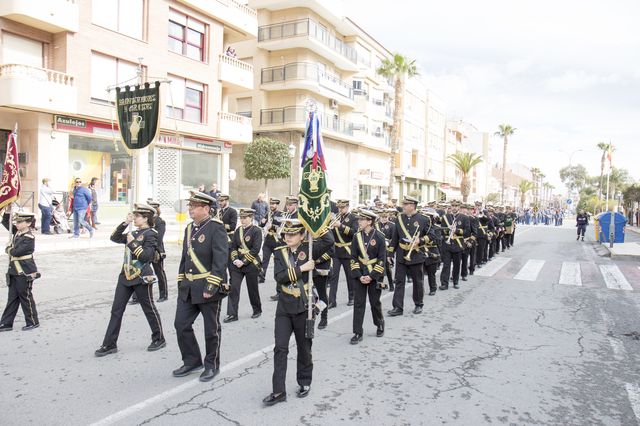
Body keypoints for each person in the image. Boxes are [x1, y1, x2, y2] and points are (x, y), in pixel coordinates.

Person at [95, 204, 165, 356]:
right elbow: (114, 237)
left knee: (148, 308)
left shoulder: (151, 234)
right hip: (125, 275)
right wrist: (125, 223)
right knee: (116, 310)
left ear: (146, 218)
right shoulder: (132, 232)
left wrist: (133, 242)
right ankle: (110, 344)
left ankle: (159, 338)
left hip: (141, 276)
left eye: (137, 216)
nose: (135, 218)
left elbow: (147, 256)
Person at [173, 191, 229, 382]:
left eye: (193, 206)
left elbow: (220, 260)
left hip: (207, 286)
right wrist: (181, 281)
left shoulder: (216, 228)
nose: (189, 209)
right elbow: (185, 258)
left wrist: (212, 285)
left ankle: (212, 364)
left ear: (205, 209)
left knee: (210, 330)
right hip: (189, 287)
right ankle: (192, 360)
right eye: (189, 205)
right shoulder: (189, 228)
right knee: (181, 324)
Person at [263, 219, 315, 406]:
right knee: (280, 348)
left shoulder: (310, 249)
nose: (288, 237)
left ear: (302, 235)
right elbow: (280, 277)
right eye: (286, 234)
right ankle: (278, 391)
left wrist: (315, 220)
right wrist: (302, 268)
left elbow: (329, 242)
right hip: (284, 306)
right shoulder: (280, 253)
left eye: (293, 234)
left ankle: (304, 381)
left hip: (304, 306)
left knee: (304, 347)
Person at [387, 196, 431, 316]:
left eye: (406, 205)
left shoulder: (424, 219)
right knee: (399, 282)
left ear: (412, 206)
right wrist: (390, 253)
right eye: (404, 204)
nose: (403, 207)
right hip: (402, 254)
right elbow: (395, 237)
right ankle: (397, 307)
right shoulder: (399, 218)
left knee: (418, 281)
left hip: (416, 254)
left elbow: (432, 236)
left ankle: (418, 304)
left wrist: (420, 240)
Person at [349, 210, 386, 344]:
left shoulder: (380, 237)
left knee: (375, 303)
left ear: (370, 221)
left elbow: (382, 260)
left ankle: (379, 323)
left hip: (374, 275)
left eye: (362, 219)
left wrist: (371, 276)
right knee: (359, 303)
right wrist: (359, 275)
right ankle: (358, 332)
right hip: (359, 274)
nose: (359, 221)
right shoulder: (356, 236)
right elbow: (353, 257)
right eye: (359, 219)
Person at [0, 211, 40, 332]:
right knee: (12, 298)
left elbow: (16, 252)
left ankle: (32, 321)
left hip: (24, 271)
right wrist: (8, 209)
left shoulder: (29, 238)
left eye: (20, 222)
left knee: (25, 297)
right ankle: (6, 323)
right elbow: (5, 222)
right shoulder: (17, 233)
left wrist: (8, 249)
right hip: (13, 271)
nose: (17, 224)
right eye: (16, 222)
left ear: (28, 223)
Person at [225, 208, 263, 323]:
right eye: (241, 218)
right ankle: (232, 314)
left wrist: (244, 261)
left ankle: (257, 310)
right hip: (237, 265)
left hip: (250, 264)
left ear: (251, 218)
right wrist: (235, 259)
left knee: (252, 289)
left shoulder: (256, 231)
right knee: (233, 288)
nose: (242, 220)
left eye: (244, 218)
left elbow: (256, 249)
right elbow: (233, 247)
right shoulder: (238, 230)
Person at [328, 199, 358, 307]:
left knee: (350, 276)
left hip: (347, 250)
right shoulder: (335, 217)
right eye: (339, 207)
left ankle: (352, 297)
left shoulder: (353, 217)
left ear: (347, 207)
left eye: (343, 207)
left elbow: (354, 233)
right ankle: (332, 300)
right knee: (333, 276)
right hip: (336, 251)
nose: (341, 209)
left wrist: (340, 226)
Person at [439, 200, 471, 291]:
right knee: (446, 265)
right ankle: (444, 283)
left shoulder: (464, 218)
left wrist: (456, 230)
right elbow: (442, 231)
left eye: (456, 206)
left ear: (459, 207)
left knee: (457, 265)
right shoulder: (445, 217)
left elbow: (467, 232)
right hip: (447, 245)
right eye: (452, 205)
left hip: (458, 244)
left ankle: (455, 281)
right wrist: (448, 230)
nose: (454, 207)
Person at [259, 198, 282, 284]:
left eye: (274, 204)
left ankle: (278, 280)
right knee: (264, 260)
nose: (271, 205)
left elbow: (280, 226)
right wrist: (262, 221)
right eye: (271, 204)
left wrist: (272, 226)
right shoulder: (268, 214)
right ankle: (261, 277)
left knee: (277, 262)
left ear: (277, 205)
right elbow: (261, 224)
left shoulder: (281, 214)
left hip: (276, 241)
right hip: (268, 240)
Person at [149, 200, 168, 302]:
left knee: (159, 273)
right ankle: (137, 297)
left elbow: (159, 238)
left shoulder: (160, 222)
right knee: (141, 272)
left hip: (156, 250)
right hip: (146, 250)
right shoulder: (147, 221)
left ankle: (163, 294)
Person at [375, 209, 396, 291]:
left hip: (387, 249)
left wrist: (391, 251)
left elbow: (394, 239)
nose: (384, 218)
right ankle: (380, 285)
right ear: (379, 217)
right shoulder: (376, 225)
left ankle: (391, 285)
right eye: (382, 217)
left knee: (387, 268)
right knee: (378, 267)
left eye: (386, 217)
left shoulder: (392, 225)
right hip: (377, 249)